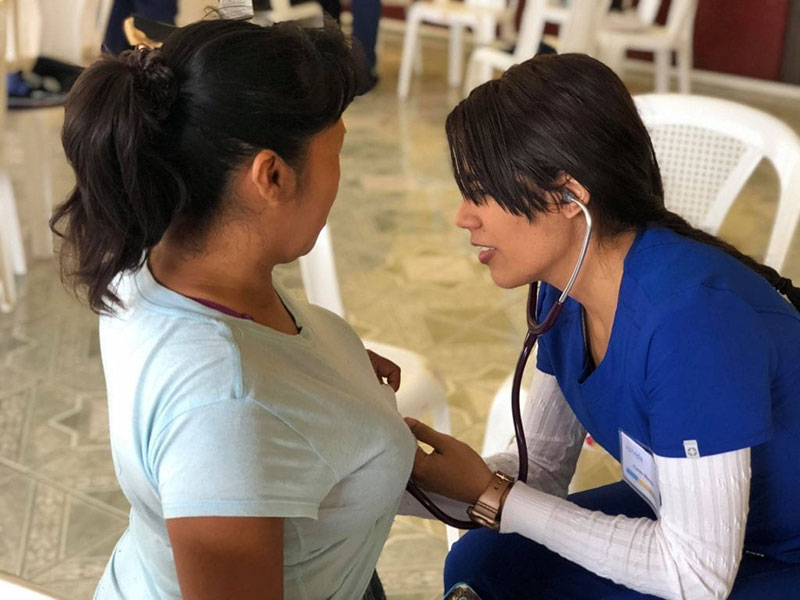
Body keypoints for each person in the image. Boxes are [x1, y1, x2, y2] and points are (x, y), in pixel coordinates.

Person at [403, 53, 800, 599]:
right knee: (486, 563)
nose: (463, 216)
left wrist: (498, 498)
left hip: (777, 553)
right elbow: (539, 468)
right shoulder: (562, 287)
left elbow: (696, 577)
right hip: (692, 518)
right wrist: (388, 473)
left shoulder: (690, 322)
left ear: (569, 194)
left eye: (481, 191)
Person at [50, 18, 415, 600]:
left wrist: (321, 370)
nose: (339, 181)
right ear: (270, 175)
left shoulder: (154, 261)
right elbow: (224, 406)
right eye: (336, 151)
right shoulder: (224, 409)